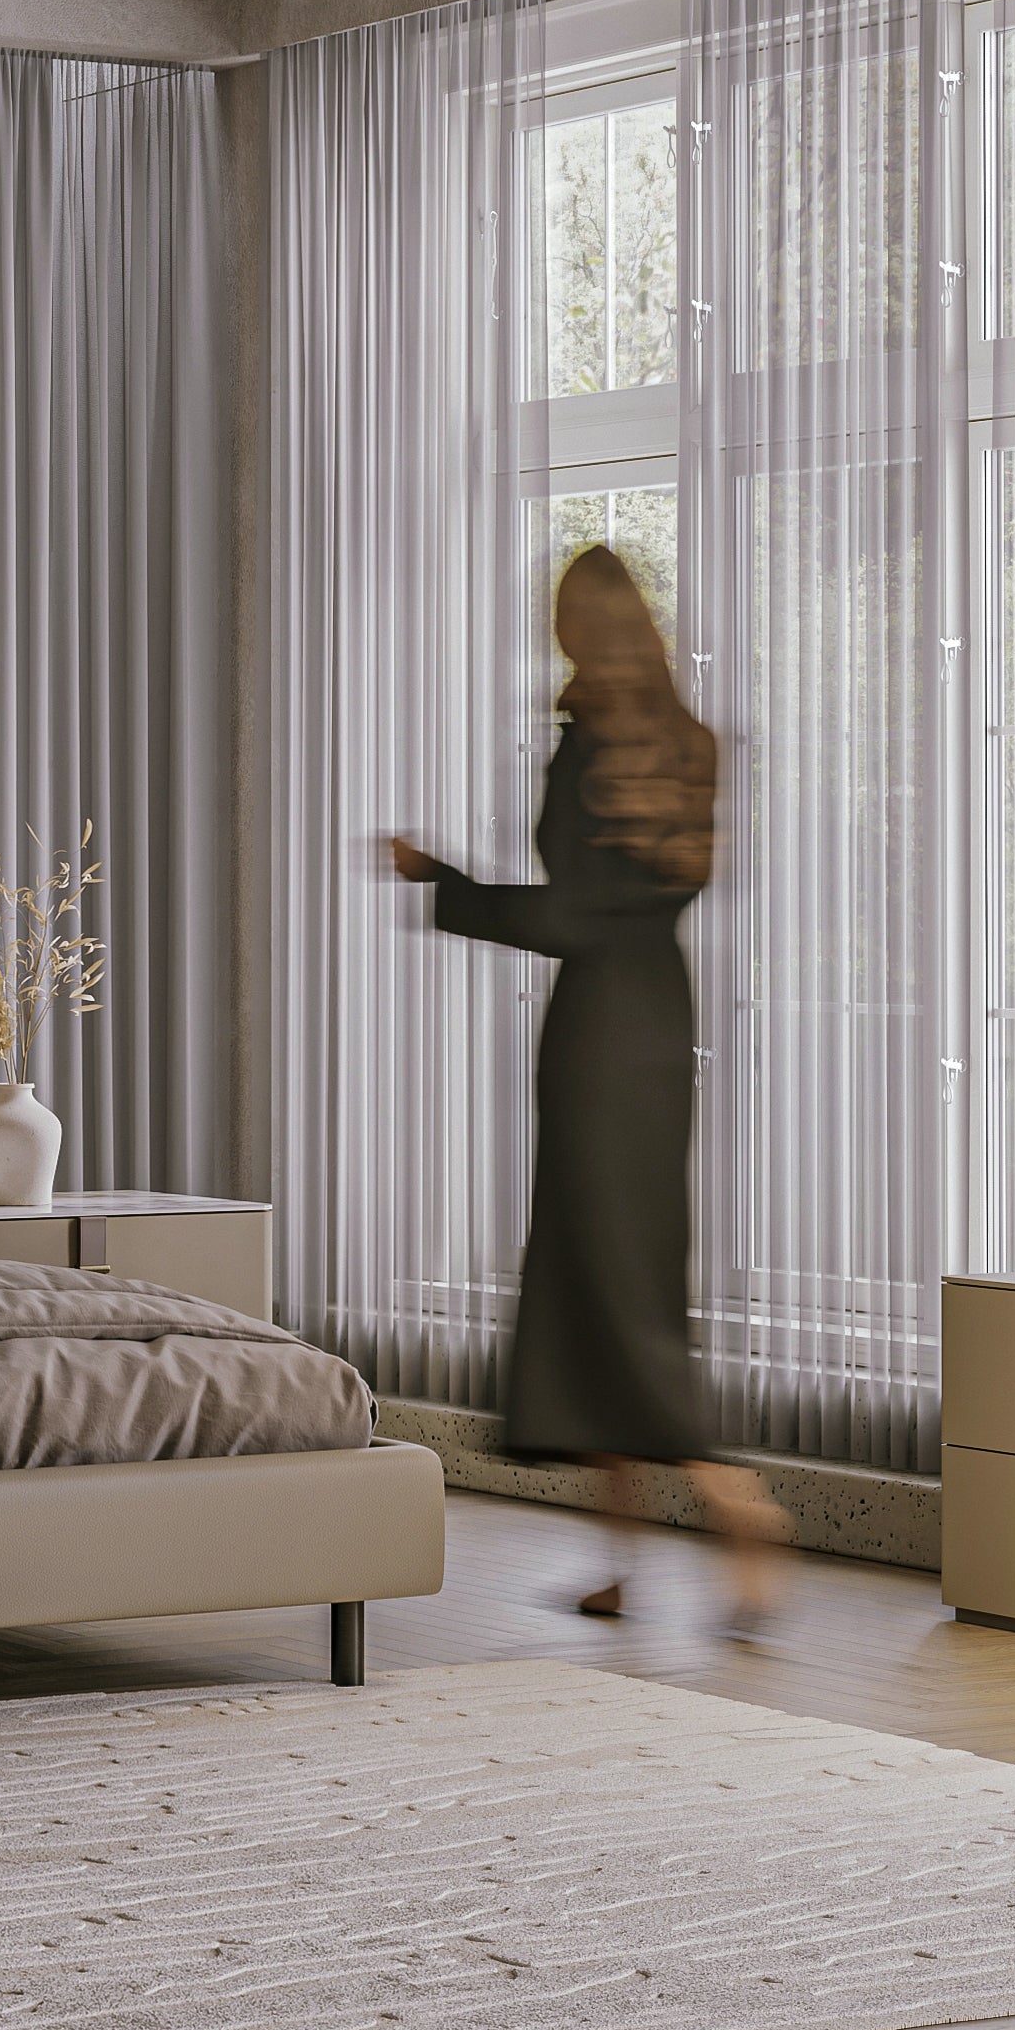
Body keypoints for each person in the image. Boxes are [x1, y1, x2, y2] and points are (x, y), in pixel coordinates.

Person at [389, 545, 792, 1635]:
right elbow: (626, 909)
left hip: (596, 1038)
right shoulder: (688, 744)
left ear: (579, 628)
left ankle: (733, 1501)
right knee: (607, 1282)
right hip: (659, 1024)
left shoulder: (588, 753)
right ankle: (622, 1562)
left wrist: (444, 884)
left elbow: (571, 920)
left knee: (612, 1294)